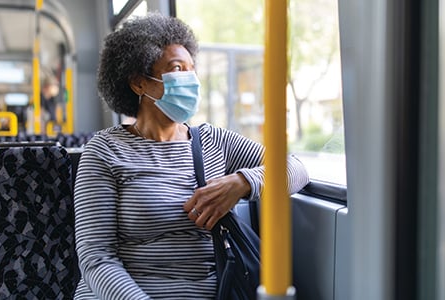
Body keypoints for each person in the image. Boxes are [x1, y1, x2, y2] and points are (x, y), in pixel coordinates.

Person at [73, 13, 309, 299]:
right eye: (177, 69)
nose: (190, 79)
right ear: (139, 83)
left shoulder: (212, 141)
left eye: (191, 69)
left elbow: (296, 168)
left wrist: (242, 182)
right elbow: (97, 258)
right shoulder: (105, 150)